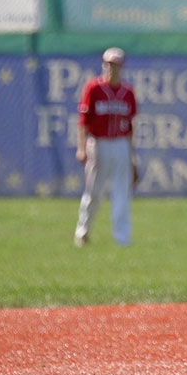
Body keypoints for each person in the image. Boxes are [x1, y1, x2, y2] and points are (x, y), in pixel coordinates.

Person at [74, 47, 138, 247]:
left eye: (116, 65)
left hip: (121, 143)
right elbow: (83, 121)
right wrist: (82, 147)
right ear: (103, 65)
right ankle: (83, 231)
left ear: (122, 67)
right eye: (109, 64)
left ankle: (122, 238)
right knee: (94, 192)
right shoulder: (93, 88)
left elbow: (131, 126)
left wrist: (132, 155)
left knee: (122, 192)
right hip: (98, 142)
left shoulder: (128, 92)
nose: (112, 69)